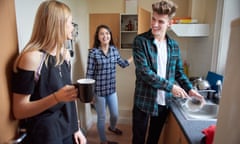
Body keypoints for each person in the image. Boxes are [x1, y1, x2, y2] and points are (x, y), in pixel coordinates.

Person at [11, 1, 86, 144]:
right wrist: (56, 98)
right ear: (57, 25)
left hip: (67, 129)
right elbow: (19, 110)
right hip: (46, 135)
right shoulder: (31, 59)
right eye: (70, 23)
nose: (72, 27)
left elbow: (70, 95)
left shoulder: (65, 55)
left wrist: (76, 128)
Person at [132, 0, 204, 144]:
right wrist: (171, 87)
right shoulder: (140, 41)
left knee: (153, 139)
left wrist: (190, 89)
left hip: (163, 102)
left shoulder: (174, 46)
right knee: (138, 139)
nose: (155, 24)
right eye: (153, 19)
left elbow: (179, 72)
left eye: (161, 21)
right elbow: (144, 73)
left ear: (169, 23)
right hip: (144, 100)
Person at [86, 24, 133, 144]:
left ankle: (112, 127)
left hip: (111, 90)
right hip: (99, 92)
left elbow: (122, 64)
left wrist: (133, 57)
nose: (105, 36)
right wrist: (90, 94)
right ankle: (103, 141)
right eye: (102, 33)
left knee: (115, 114)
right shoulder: (93, 53)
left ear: (110, 36)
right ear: (98, 37)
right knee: (101, 117)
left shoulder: (114, 50)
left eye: (107, 33)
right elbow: (89, 74)